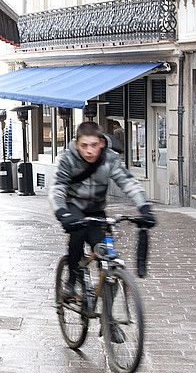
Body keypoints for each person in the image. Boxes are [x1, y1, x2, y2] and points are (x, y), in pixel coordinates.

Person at [50, 122, 156, 342]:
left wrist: (144, 207)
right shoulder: (67, 159)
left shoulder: (109, 158)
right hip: (73, 208)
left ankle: (108, 321)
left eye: (94, 145)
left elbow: (128, 182)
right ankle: (71, 281)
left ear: (101, 143)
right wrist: (62, 212)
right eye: (84, 145)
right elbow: (57, 188)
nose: (89, 150)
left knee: (109, 261)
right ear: (77, 144)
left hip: (97, 211)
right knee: (77, 234)